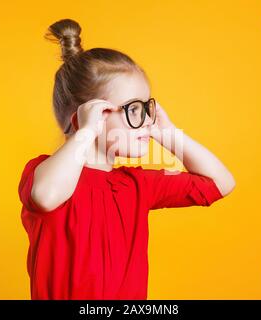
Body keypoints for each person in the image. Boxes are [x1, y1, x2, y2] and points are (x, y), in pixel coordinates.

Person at [18, 18, 236, 300]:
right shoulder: (42, 172)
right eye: (134, 108)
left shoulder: (135, 184)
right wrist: (84, 133)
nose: (146, 119)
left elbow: (220, 183)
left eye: (147, 107)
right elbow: (46, 196)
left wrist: (169, 134)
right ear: (89, 113)